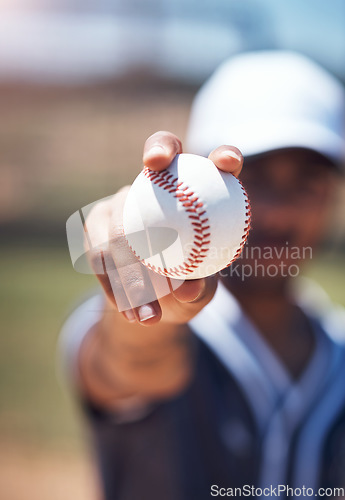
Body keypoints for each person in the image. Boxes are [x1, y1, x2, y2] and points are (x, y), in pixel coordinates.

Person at [60, 51, 345, 500]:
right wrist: (145, 310)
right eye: (256, 178)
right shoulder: (152, 330)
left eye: (307, 181)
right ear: (201, 177)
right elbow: (129, 362)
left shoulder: (339, 348)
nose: (278, 212)